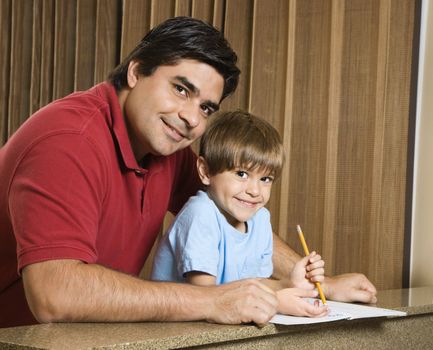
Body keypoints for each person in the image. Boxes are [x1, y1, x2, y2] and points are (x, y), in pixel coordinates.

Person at [0, 16, 376, 329]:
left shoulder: (167, 147)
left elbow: (235, 209)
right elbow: (55, 295)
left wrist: (317, 284)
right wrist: (213, 301)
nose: (192, 118)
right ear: (135, 72)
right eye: (181, 89)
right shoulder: (68, 141)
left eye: (207, 108)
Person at [151, 111, 329, 317]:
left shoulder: (260, 219)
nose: (255, 191)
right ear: (205, 171)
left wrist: (288, 283)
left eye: (266, 179)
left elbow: (254, 285)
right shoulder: (200, 214)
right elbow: (206, 298)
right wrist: (275, 302)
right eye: (241, 174)